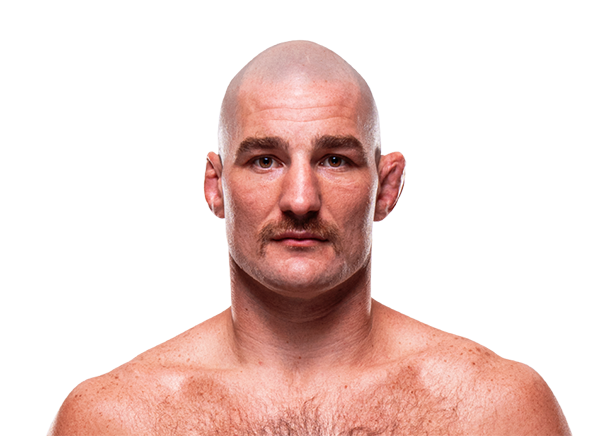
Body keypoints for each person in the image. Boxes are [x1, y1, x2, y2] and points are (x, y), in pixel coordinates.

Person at [51, 41, 571, 435]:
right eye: (265, 160)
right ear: (216, 187)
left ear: (387, 188)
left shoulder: (493, 410)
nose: (300, 199)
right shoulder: (117, 419)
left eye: (334, 160)